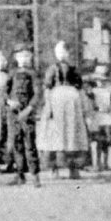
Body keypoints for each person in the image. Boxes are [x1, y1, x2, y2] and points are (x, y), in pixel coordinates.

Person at [37, 41, 90, 180]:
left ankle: (74, 168)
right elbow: (47, 87)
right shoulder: (52, 69)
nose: (62, 55)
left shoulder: (73, 69)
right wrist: (48, 106)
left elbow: (79, 86)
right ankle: (54, 168)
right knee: (55, 134)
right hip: (56, 103)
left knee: (72, 134)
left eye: (64, 52)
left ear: (69, 54)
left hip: (72, 105)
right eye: (59, 52)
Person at [5, 43, 42, 187]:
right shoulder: (12, 73)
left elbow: (38, 94)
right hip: (13, 113)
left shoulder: (34, 74)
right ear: (16, 57)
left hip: (27, 114)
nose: (24, 58)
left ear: (31, 57)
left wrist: (29, 109)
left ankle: (35, 176)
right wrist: (9, 101)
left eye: (27, 55)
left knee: (30, 144)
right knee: (16, 144)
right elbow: (5, 91)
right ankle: (20, 175)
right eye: (21, 56)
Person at [87, 65, 111, 172]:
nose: (100, 82)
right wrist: (99, 108)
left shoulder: (109, 90)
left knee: (106, 141)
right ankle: (97, 163)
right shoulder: (93, 91)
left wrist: (110, 107)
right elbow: (92, 104)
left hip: (108, 117)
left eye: (102, 80)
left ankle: (106, 162)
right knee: (98, 141)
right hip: (97, 117)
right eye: (98, 80)